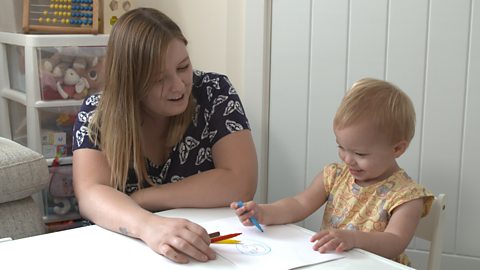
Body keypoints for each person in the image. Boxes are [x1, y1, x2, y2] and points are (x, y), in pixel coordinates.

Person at [72, 8, 258, 264]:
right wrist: (148, 226)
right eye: (159, 79)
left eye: (183, 67)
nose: (178, 86)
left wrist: (143, 198)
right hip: (121, 249)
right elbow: (90, 194)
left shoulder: (215, 92)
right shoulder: (97, 112)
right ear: (130, 82)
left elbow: (241, 183)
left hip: (207, 243)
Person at [231, 78, 433, 266]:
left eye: (360, 153)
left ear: (397, 149)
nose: (347, 159)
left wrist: (353, 239)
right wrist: (264, 212)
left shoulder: (407, 196)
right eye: (341, 147)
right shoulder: (335, 175)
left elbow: (394, 242)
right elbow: (299, 204)